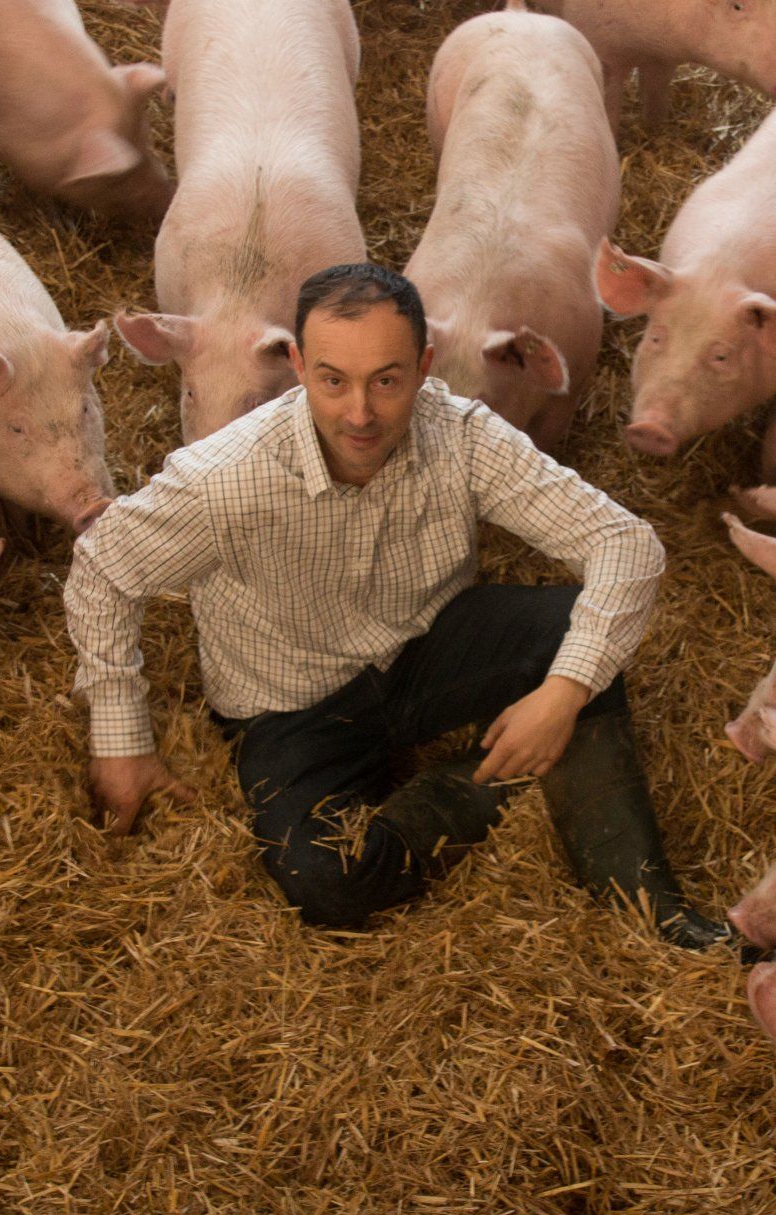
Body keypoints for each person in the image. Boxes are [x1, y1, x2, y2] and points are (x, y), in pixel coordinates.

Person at [64, 262, 726, 948]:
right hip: (291, 705)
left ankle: (651, 907)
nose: (360, 414)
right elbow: (104, 568)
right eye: (333, 381)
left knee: (577, 643)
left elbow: (624, 542)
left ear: (424, 367)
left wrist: (562, 694)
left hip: (425, 649)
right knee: (326, 882)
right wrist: (121, 741)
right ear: (298, 366)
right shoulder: (225, 479)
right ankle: (494, 781)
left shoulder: (461, 435)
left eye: (386, 380)